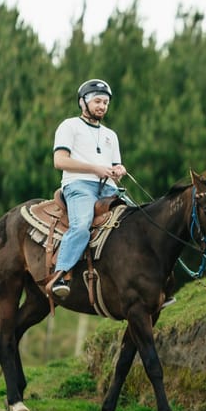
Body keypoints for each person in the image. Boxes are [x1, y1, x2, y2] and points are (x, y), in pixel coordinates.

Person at [46, 79, 126, 299]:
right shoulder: (69, 126)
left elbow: (114, 167)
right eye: (97, 101)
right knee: (81, 226)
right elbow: (59, 161)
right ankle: (60, 275)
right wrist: (94, 168)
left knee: (138, 221)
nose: (102, 106)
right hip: (78, 185)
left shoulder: (111, 135)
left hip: (108, 188)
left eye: (106, 103)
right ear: (83, 102)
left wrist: (118, 170)